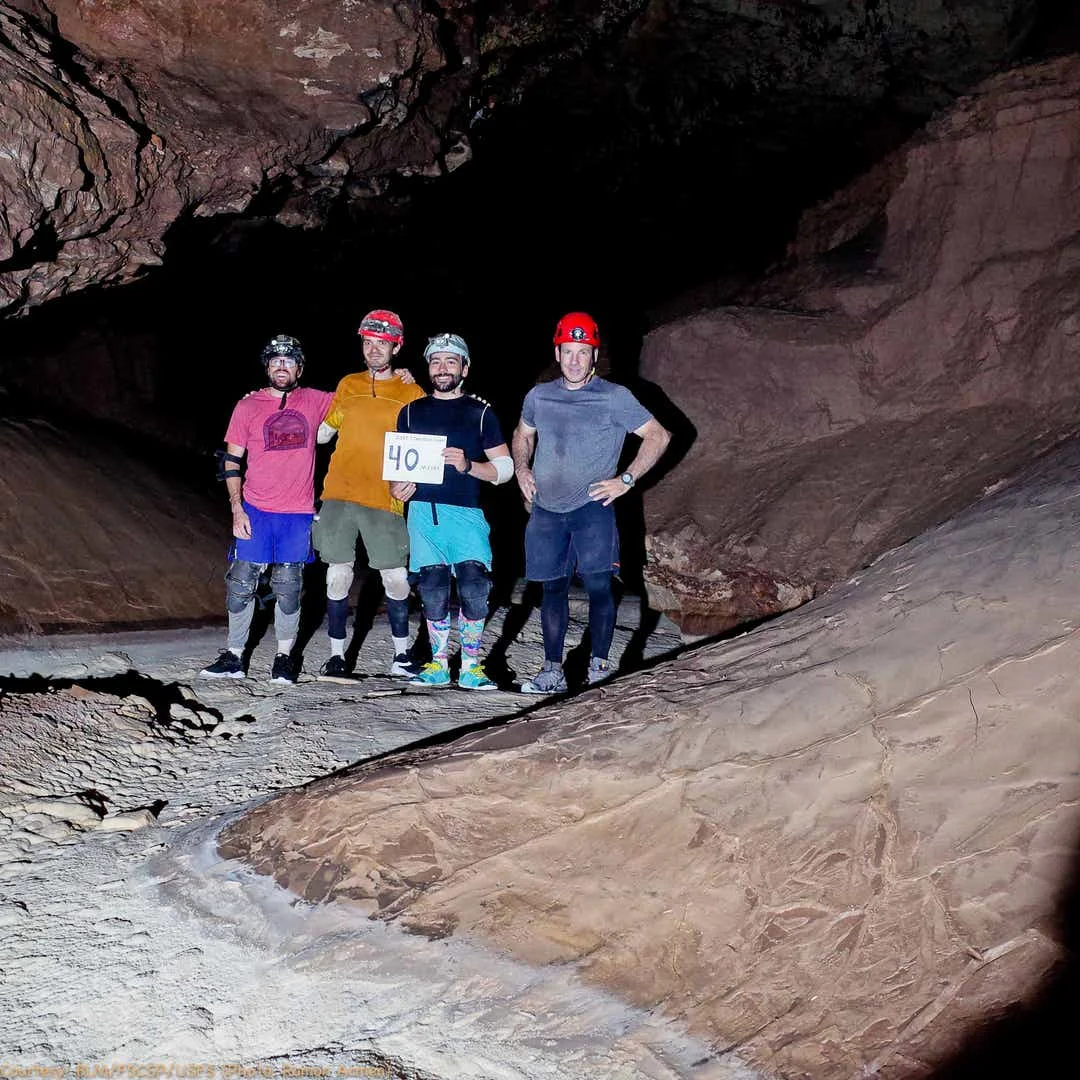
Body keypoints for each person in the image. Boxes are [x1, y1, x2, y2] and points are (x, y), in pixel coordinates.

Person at [511, 312, 671, 693]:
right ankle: (552, 670)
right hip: (547, 509)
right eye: (569, 351)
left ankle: (599, 666)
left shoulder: (614, 397)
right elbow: (522, 435)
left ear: (594, 356)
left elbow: (659, 436)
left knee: (600, 585)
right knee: (552, 589)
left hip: (592, 509)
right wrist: (521, 469)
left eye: (584, 352)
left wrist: (626, 480)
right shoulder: (539, 395)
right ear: (558, 351)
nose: (575, 360)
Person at [200, 334, 333, 683]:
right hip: (255, 508)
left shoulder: (316, 400)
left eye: (289, 361)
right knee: (241, 581)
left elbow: (362, 401)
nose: (282, 366)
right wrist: (236, 508)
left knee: (289, 584)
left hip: (297, 511)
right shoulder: (247, 406)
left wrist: (402, 378)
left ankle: (284, 657)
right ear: (267, 367)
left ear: (300, 368)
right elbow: (231, 460)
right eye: (275, 361)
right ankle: (234, 655)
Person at [389, 332, 513, 690]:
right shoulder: (410, 412)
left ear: (465, 368)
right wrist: (396, 489)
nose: (443, 368)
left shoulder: (481, 413)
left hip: (466, 513)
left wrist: (468, 465)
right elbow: (398, 470)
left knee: (475, 585)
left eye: (451, 361)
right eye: (436, 361)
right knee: (432, 588)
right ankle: (439, 663)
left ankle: (471, 665)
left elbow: (503, 470)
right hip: (424, 514)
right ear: (429, 367)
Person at [314, 309, 426, 679]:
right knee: (337, 575)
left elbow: (423, 445)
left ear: (396, 346)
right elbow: (322, 433)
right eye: (368, 342)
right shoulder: (347, 384)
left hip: (385, 496)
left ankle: (401, 655)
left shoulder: (411, 391)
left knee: (395, 577)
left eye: (381, 343)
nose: (374, 350)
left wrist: (414, 481)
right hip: (339, 492)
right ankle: (336, 657)